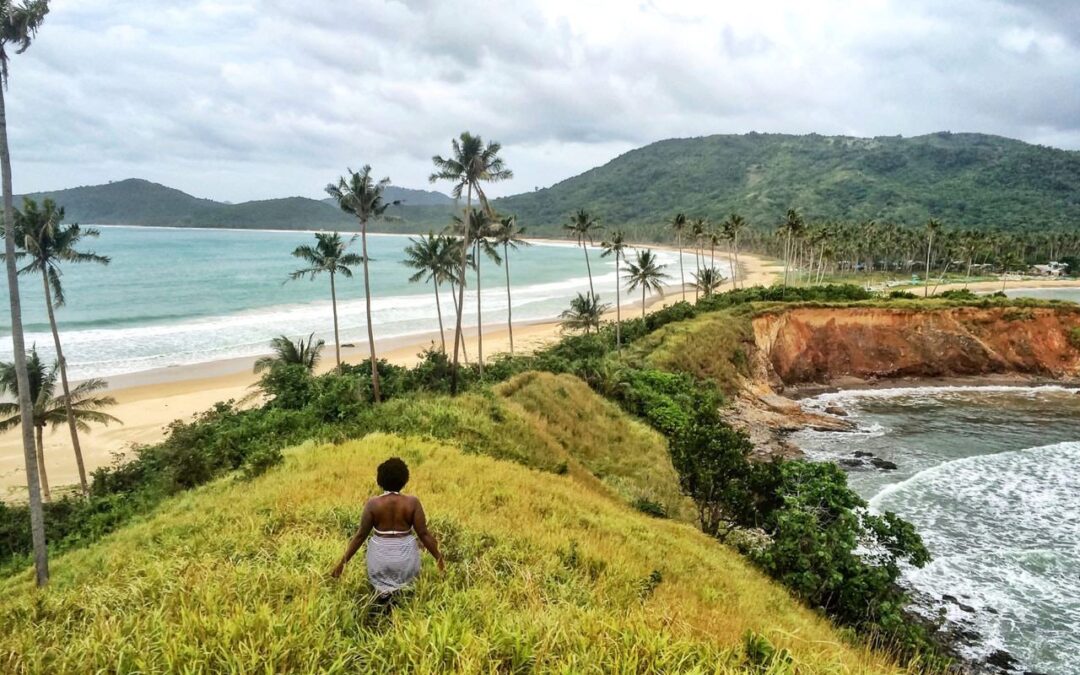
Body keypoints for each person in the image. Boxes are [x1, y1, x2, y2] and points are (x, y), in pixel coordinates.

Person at [330, 457, 444, 595]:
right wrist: (439, 558)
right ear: (404, 479)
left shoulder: (373, 503)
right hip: (405, 560)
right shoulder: (412, 502)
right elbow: (424, 535)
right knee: (406, 594)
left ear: (380, 480)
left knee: (382, 593)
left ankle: (382, 600)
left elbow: (360, 536)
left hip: (379, 561)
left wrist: (342, 563)